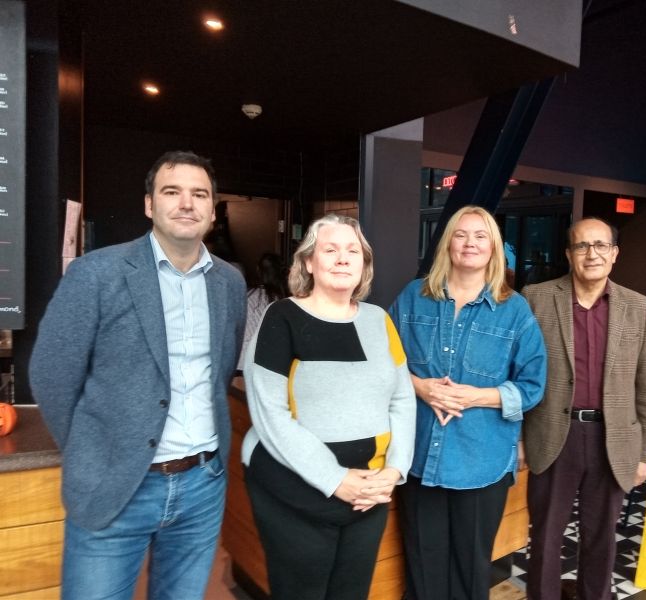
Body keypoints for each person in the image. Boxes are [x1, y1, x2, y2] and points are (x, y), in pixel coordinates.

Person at [30, 150, 247, 600]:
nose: (187, 203)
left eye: (199, 194)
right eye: (172, 191)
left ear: (211, 208)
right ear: (149, 204)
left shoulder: (228, 281)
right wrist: (94, 452)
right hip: (115, 487)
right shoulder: (97, 273)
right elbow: (52, 375)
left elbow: (220, 370)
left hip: (201, 485)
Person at [241, 214, 416, 600]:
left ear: (364, 264)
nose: (342, 258)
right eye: (330, 249)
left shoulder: (379, 320)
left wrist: (395, 469)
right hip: (295, 493)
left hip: (368, 496)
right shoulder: (282, 317)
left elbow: (402, 398)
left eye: (353, 251)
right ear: (308, 262)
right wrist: (336, 479)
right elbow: (269, 413)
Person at [389, 205, 547, 600]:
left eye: (481, 236)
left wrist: (478, 396)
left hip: (482, 462)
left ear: (494, 248)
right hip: (419, 456)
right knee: (422, 569)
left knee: (470, 571)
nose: (470, 243)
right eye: (461, 234)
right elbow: (384, 365)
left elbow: (532, 385)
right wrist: (420, 387)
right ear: (448, 244)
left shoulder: (514, 310)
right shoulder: (413, 297)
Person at [522, 217, 646, 600]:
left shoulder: (640, 307)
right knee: (546, 537)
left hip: (613, 438)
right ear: (569, 254)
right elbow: (518, 372)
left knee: (601, 538)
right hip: (552, 435)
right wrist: (517, 437)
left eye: (600, 245)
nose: (591, 253)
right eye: (582, 246)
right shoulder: (536, 298)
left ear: (614, 254)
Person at [237, 252, 289, 370]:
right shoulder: (284, 301)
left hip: (241, 362)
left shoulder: (247, 297)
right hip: (267, 364)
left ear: (258, 272)